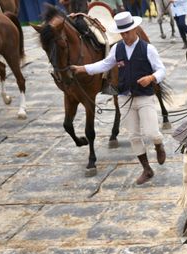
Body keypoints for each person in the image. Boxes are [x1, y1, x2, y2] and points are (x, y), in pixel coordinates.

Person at [70, 12, 167, 185]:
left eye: (127, 32)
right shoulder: (117, 49)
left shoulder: (148, 49)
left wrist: (151, 78)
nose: (125, 36)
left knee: (152, 132)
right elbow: (104, 65)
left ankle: (159, 145)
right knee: (133, 137)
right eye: (122, 33)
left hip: (144, 97)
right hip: (124, 98)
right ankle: (146, 169)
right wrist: (82, 68)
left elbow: (161, 70)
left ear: (134, 29)